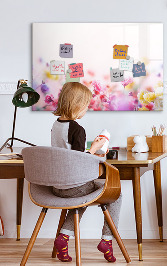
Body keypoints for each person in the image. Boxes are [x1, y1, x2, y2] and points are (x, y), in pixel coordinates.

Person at [51, 82, 121, 263]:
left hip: (57, 186)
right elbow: (79, 160)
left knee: (81, 197)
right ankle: (107, 240)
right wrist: (96, 148)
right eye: (86, 106)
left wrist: (90, 150)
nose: (86, 109)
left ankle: (63, 238)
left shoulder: (56, 125)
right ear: (76, 105)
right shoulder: (77, 129)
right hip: (74, 186)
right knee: (116, 194)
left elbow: (68, 154)